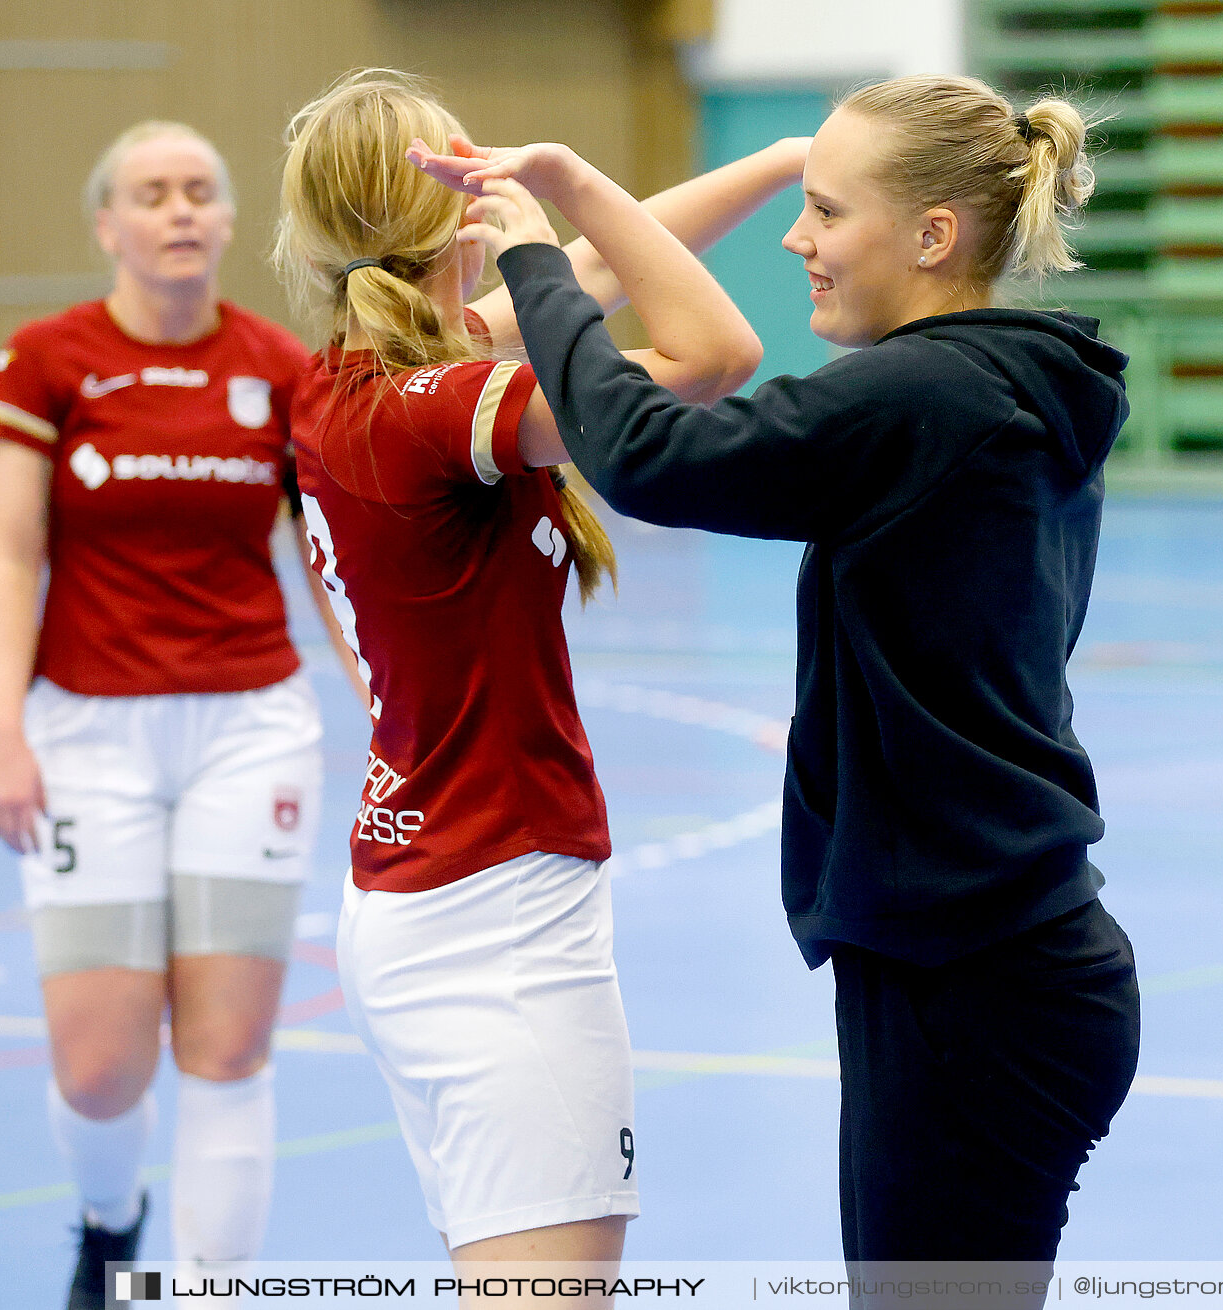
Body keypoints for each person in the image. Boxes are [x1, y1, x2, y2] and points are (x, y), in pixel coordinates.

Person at [423, 73, 1141, 1300]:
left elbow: (653, 453)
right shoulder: (1000, 385)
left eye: (824, 211)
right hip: (984, 958)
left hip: (976, 980)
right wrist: (577, 185)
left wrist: (540, 263)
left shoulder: (929, 393)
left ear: (931, 237)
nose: (797, 241)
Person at [271, 68, 800, 1293]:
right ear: (451, 202)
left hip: (433, 880)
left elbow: (599, 269)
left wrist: (780, 161)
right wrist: (556, 184)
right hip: (495, 907)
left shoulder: (361, 370)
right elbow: (714, 354)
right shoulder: (434, 404)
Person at [0, 120, 357, 1310]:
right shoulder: (45, 362)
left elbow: (330, 562)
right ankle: (107, 1217)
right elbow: (7, 557)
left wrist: (394, 711)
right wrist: (2, 729)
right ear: (108, 225)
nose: (180, 209)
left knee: (229, 1046)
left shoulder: (283, 367)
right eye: (152, 193)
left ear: (230, 221)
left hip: (251, 726)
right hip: (89, 731)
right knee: (99, 1068)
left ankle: (201, 1292)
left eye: (200, 190)